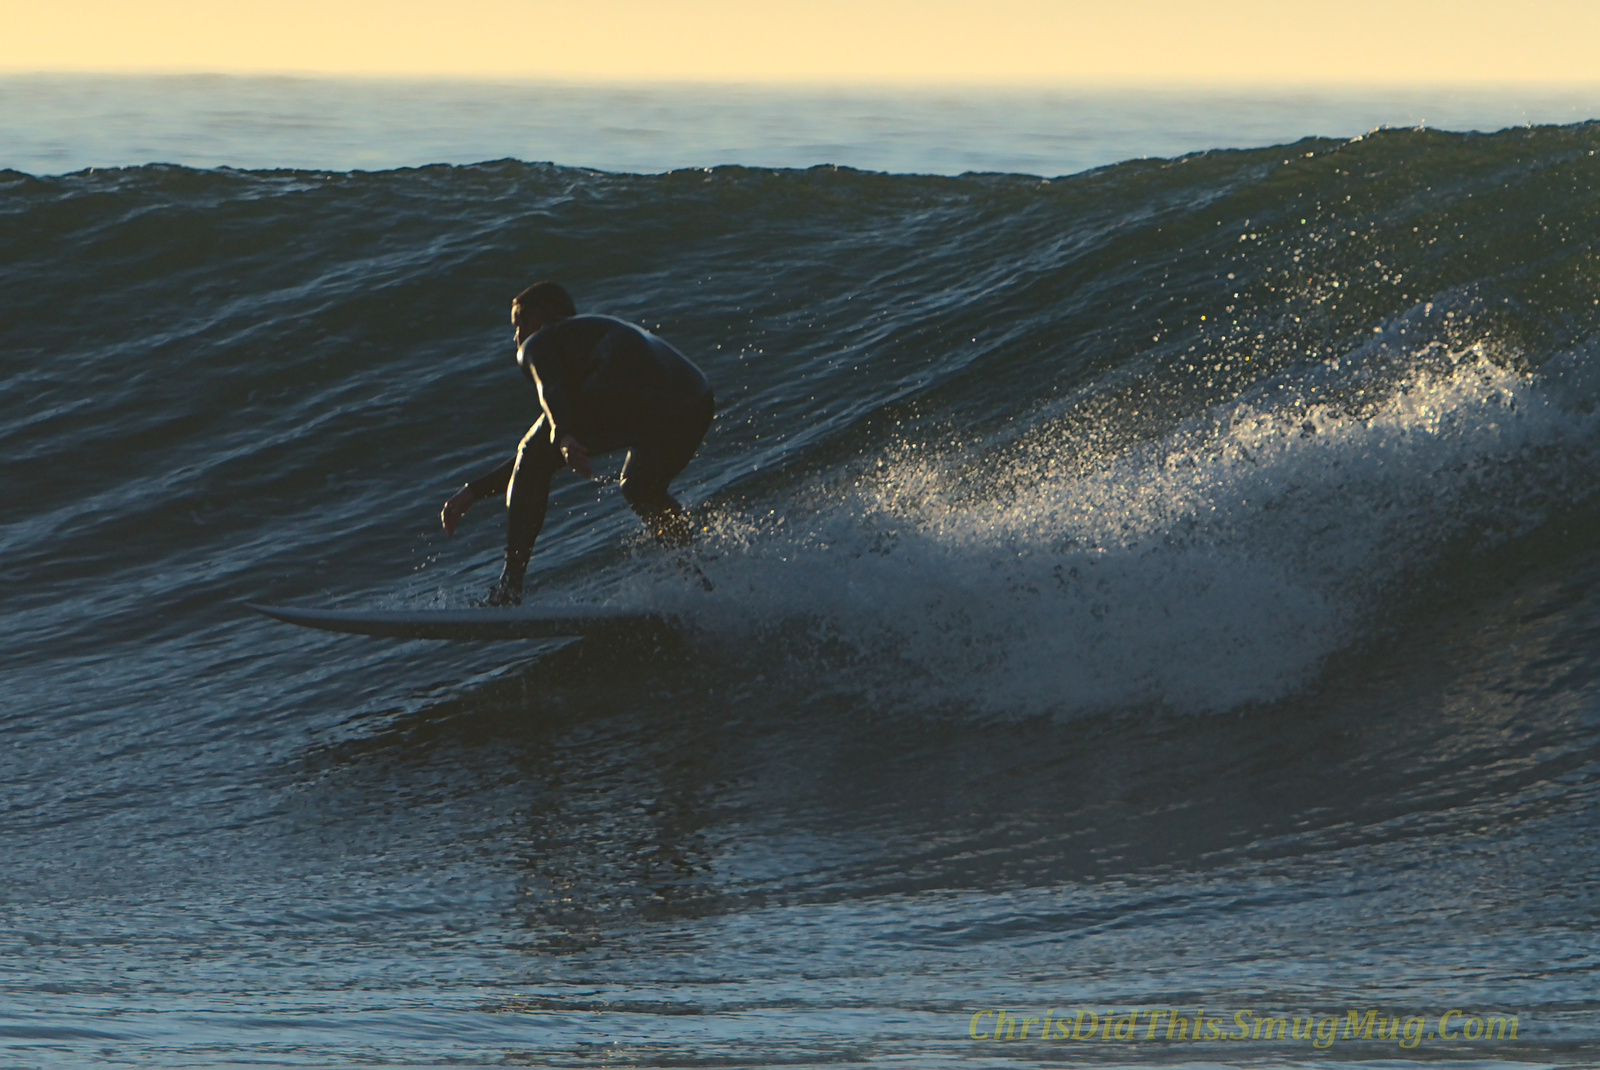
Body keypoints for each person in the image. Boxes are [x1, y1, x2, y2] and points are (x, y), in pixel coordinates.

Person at [440, 282, 714, 605]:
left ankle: (508, 590)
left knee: (534, 451)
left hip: (623, 379)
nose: (516, 339)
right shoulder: (593, 334)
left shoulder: (539, 342)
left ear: (534, 323)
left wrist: (564, 434)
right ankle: (700, 580)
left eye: (517, 327)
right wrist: (475, 491)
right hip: (695, 399)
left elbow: (550, 390)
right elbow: (540, 452)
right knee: (641, 488)